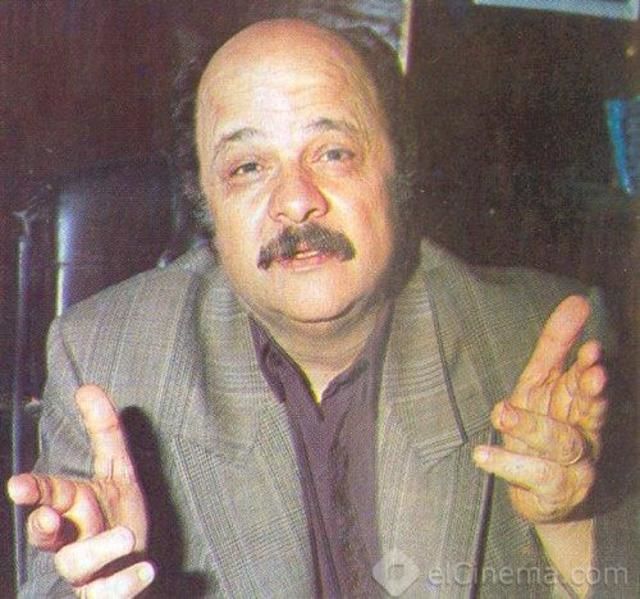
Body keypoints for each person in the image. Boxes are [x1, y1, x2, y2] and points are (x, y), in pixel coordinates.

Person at [7, 18, 637, 598]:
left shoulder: (541, 345)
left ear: (398, 170)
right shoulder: (105, 359)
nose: (296, 200)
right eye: (248, 166)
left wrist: (570, 522)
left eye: (333, 153)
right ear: (206, 206)